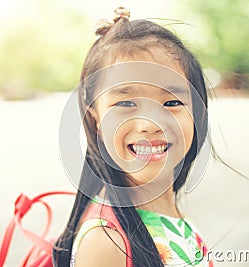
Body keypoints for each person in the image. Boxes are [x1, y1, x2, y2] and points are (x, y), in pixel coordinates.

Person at [53, 7, 213, 267]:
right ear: (96, 120)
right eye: (126, 103)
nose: (150, 124)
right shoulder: (106, 241)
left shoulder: (165, 208)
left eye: (172, 102)